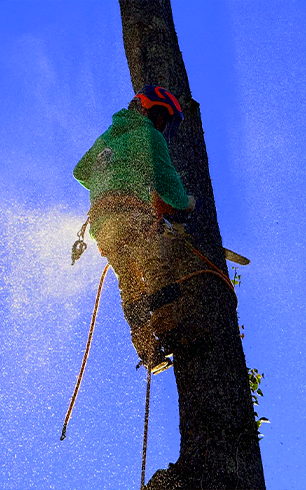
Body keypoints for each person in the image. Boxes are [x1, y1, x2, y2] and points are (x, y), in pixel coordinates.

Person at [73, 85, 195, 374]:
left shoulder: (106, 138)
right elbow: (171, 192)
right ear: (156, 113)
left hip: (103, 224)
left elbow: (80, 172)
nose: (164, 127)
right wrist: (187, 204)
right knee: (155, 270)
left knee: (129, 282)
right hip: (133, 216)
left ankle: (148, 351)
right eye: (164, 120)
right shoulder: (150, 136)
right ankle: (171, 334)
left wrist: (110, 179)